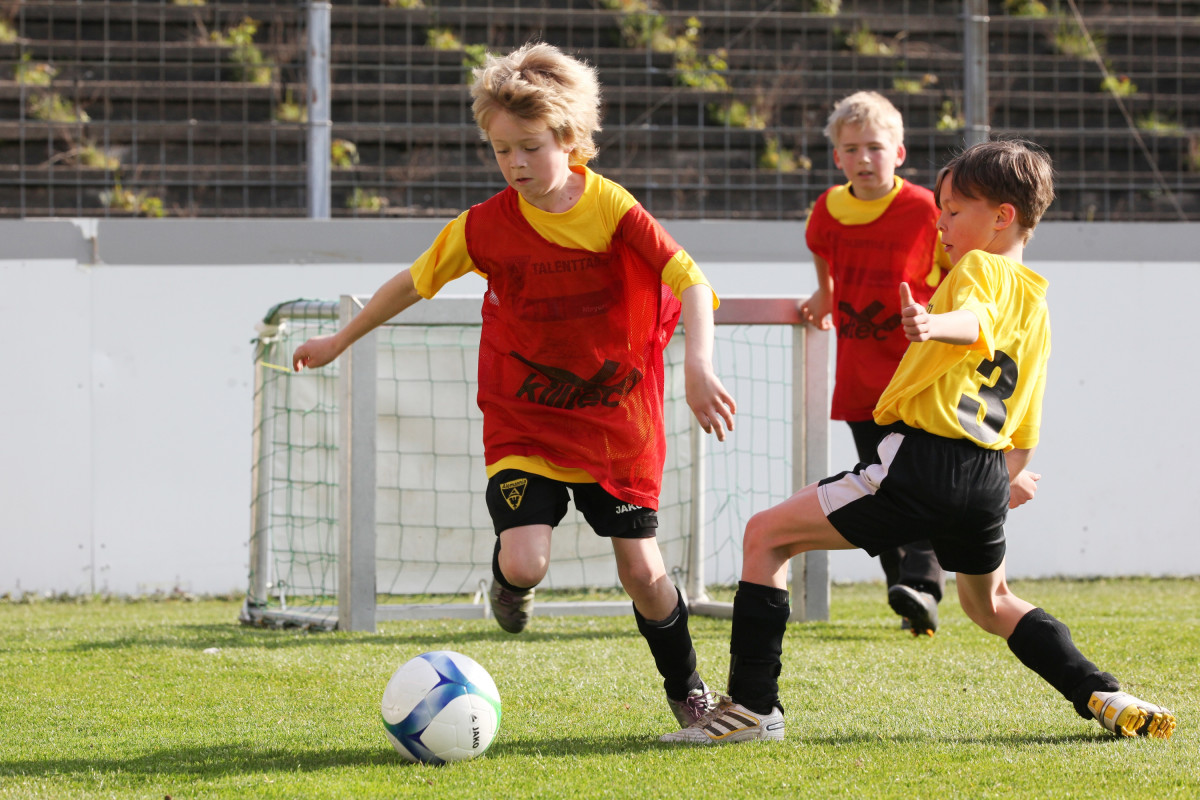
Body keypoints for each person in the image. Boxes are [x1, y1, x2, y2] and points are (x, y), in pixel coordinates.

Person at [661, 139, 1176, 744]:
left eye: (954, 211)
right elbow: (1026, 420)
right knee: (991, 603)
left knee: (765, 535)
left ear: (1002, 216)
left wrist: (934, 323)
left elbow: (975, 320)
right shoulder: (1037, 305)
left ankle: (752, 709)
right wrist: (1010, 476)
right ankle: (1102, 693)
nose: (942, 224)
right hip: (986, 473)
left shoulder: (978, 269)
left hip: (923, 463)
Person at [292, 42, 736, 728]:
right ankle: (507, 584)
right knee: (527, 562)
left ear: (570, 140)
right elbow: (412, 282)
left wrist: (698, 365)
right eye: (502, 150)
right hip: (525, 415)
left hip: (615, 423)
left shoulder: (611, 208)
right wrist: (338, 340)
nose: (515, 164)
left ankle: (689, 692)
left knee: (644, 574)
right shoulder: (484, 226)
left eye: (530, 147)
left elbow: (692, 281)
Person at [800, 91, 951, 636]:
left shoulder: (925, 209)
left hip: (918, 375)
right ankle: (908, 597)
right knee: (878, 485)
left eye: (875, 147)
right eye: (851, 149)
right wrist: (825, 291)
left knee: (924, 481)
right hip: (861, 379)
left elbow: (955, 266)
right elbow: (820, 248)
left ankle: (924, 583)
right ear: (837, 157)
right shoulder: (828, 209)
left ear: (899, 153)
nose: (864, 158)